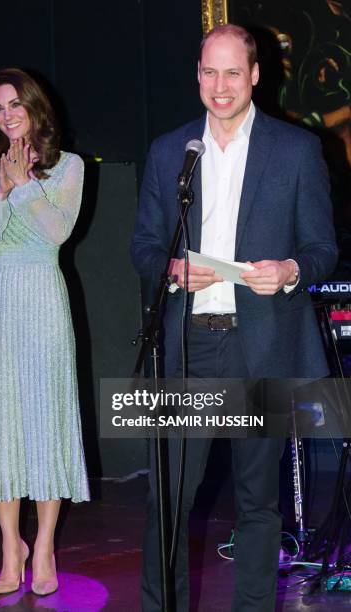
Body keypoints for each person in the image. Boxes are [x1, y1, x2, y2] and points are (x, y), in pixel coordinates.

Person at [131, 24, 338, 611]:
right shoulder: (172, 150)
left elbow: (323, 249)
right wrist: (170, 267)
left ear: (253, 76)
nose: (219, 86)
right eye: (208, 72)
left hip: (262, 345)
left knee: (256, 503)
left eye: (231, 72)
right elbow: (142, 246)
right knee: (168, 500)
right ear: (196, 75)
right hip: (189, 346)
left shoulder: (297, 151)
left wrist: (292, 269)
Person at [0, 68, 89, 596]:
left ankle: (43, 547)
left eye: (15, 104)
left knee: (45, 420)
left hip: (43, 295)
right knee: (2, 423)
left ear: (35, 107)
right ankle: (9, 543)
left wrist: (24, 187)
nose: (7, 115)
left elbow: (58, 230)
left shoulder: (68, 167)